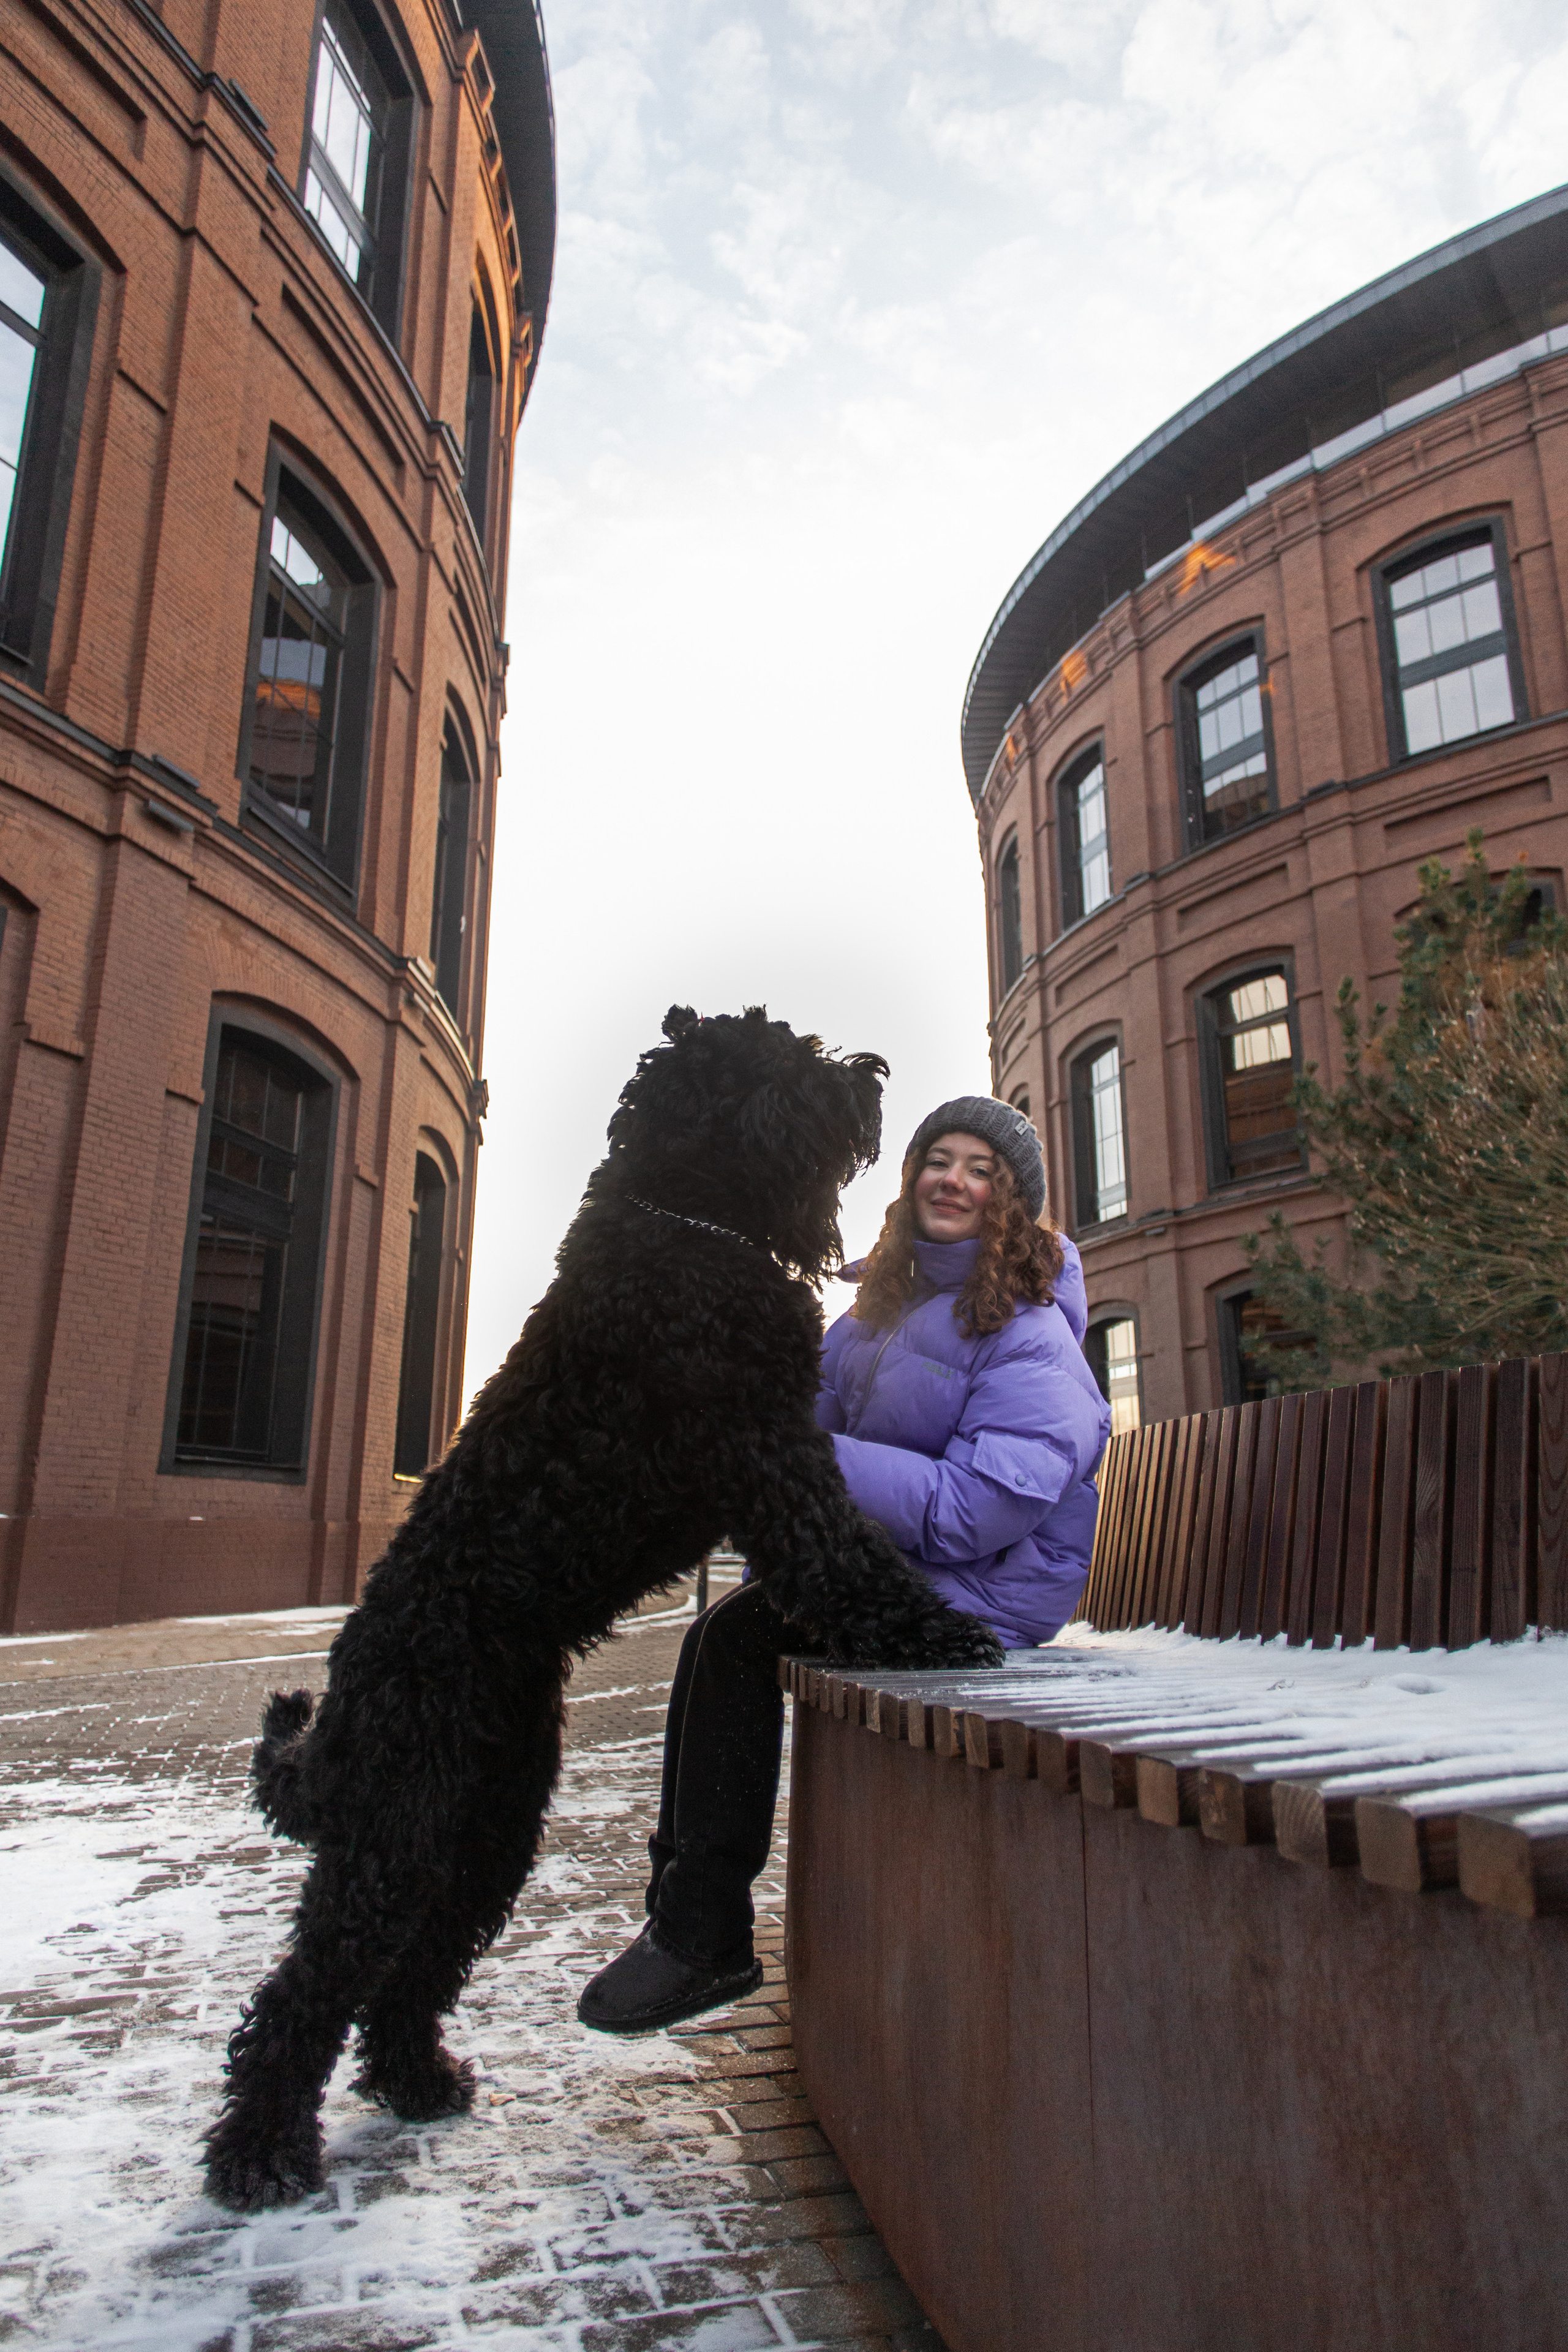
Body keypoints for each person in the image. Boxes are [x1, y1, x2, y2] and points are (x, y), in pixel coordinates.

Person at [578, 1095, 1110, 2035]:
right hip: (899, 1579)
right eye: (937, 1159)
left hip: (976, 1598)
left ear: (1011, 1200)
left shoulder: (1031, 1333)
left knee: (736, 1641)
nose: (953, 1179)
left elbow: (976, 1512)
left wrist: (803, 1463)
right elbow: (792, 1424)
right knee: (731, 1633)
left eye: (981, 1168)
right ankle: (690, 1924)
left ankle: (702, 1935)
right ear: (911, 1181)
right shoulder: (871, 1315)